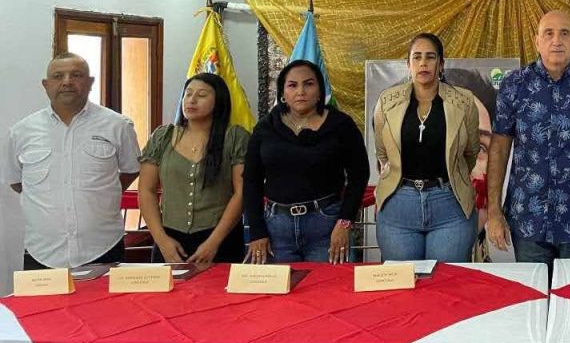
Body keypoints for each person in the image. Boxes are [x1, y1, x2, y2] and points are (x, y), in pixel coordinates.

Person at [486, 10, 570, 269]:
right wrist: (494, 213)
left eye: (564, 33)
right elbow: (498, 150)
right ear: (537, 41)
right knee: (534, 294)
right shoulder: (515, 85)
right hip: (528, 222)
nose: (556, 41)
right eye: (548, 34)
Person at [2, 53, 140, 269]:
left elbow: (131, 169)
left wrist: (102, 194)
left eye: (76, 75)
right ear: (46, 85)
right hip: (42, 251)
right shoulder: (21, 132)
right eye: (58, 76)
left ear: (90, 82)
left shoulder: (118, 125)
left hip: (103, 247)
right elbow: (16, 182)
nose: (67, 81)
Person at [243, 59, 369, 264]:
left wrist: (345, 222)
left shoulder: (341, 125)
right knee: (278, 286)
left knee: (330, 285)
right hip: (276, 230)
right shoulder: (266, 127)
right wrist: (257, 232)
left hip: (327, 226)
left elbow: (359, 175)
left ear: (320, 91)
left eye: (308, 84)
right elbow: (251, 180)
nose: (300, 91)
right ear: (283, 93)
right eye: (292, 85)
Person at [372, 34, 480, 262]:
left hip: (450, 206)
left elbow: (470, 153)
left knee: (444, 281)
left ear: (441, 64)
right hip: (398, 207)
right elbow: (382, 152)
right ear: (408, 64)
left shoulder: (464, 101)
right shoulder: (386, 101)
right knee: (403, 281)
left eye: (430, 57)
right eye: (417, 57)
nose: (423, 63)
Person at [137, 73, 249, 264]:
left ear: (219, 101)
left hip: (221, 238)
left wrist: (213, 243)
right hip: (169, 239)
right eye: (188, 94)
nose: (192, 100)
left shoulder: (235, 137)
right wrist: (162, 240)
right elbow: (146, 190)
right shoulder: (163, 136)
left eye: (202, 95)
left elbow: (241, 192)